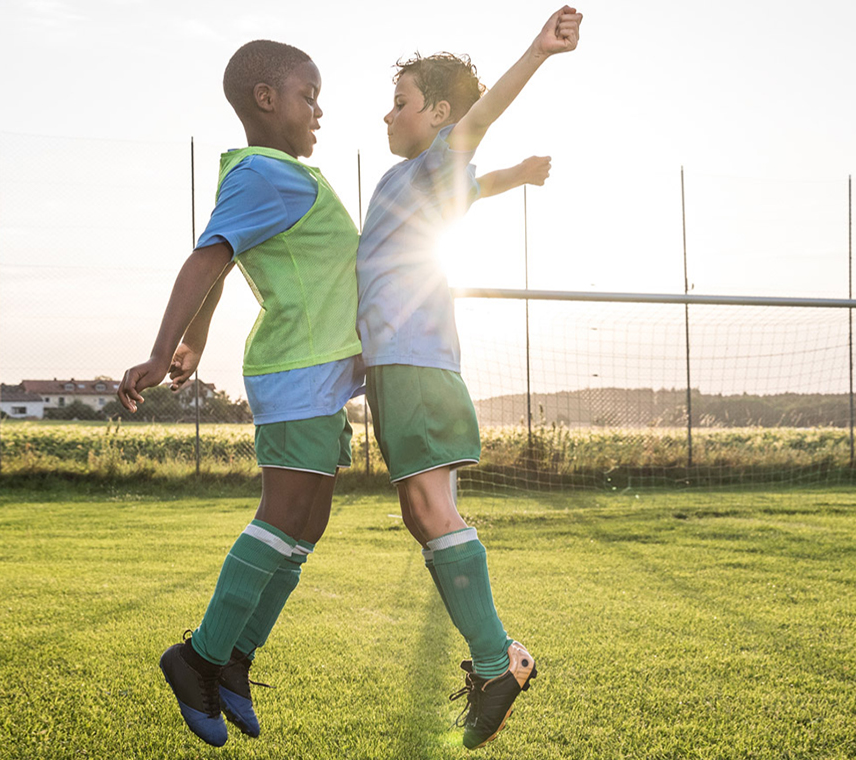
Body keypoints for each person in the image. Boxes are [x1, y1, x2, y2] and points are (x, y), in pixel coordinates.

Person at [117, 39, 363, 748]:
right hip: (300, 371)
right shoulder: (266, 173)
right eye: (308, 95)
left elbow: (225, 263)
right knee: (283, 515)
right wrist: (164, 351)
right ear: (266, 98)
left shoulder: (275, 175)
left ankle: (234, 661)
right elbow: (208, 255)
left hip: (316, 374)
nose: (318, 110)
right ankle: (197, 657)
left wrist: (195, 339)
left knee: (306, 524)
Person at [357, 5, 582, 749]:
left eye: (402, 102)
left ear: (440, 114)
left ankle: (501, 660)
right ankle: (495, 663)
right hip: (408, 368)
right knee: (424, 516)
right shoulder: (415, 177)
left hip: (416, 366)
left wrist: (538, 51)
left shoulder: (438, 155)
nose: (389, 113)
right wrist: (511, 180)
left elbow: (477, 126)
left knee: (429, 510)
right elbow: (466, 181)